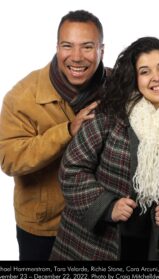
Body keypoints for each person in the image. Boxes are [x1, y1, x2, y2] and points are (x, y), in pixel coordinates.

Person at [49, 37, 159, 260]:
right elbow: (71, 169)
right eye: (145, 71)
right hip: (89, 245)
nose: (156, 77)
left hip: (151, 248)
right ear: (134, 79)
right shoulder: (110, 114)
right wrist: (106, 206)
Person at [0, 10, 109, 260]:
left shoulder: (117, 87)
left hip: (98, 220)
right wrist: (68, 131)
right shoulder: (21, 96)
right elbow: (10, 159)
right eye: (68, 46)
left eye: (88, 47)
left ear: (102, 50)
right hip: (45, 226)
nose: (77, 57)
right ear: (57, 47)